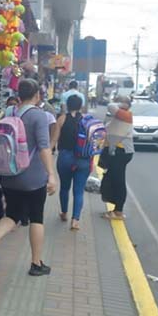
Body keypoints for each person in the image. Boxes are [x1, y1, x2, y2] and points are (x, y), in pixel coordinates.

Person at [0, 79, 58, 276]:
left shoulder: (8, 113)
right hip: (33, 178)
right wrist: (51, 174)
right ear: (37, 95)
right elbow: (43, 147)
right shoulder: (39, 116)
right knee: (36, 217)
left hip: (8, 174)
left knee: (12, 214)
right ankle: (36, 263)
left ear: (19, 94)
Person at [55, 95, 91, 231]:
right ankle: (75, 220)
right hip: (83, 159)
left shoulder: (62, 119)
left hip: (65, 157)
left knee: (64, 187)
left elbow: (54, 140)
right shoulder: (87, 120)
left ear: (67, 105)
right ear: (81, 105)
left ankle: (64, 212)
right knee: (79, 191)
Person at [101, 96, 134, 219]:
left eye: (119, 101)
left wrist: (119, 104)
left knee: (119, 181)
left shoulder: (126, 115)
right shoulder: (119, 116)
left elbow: (110, 106)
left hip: (122, 152)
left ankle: (118, 211)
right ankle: (116, 208)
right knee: (115, 179)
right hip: (117, 151)